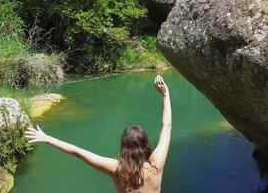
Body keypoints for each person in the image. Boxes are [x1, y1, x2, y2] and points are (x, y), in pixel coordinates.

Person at [25, 75, 172, 193]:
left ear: (124, 146)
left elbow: (78, 152)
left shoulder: (117, 169)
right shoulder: (155, 166)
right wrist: (166, 95)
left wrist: (47, 138)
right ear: (145, 144)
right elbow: (167, 126)